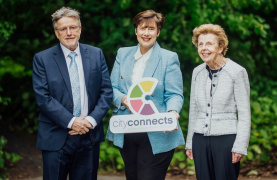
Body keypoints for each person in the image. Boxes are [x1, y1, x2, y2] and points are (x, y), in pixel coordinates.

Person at [32, 7, 113, 180]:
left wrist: (90, 121)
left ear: (80, 29)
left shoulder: (96, 54)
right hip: (56, 137)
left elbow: (106, 92)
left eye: (73, 27)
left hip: (89, 135)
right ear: (56, 33)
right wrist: (72, 122)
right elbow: (44, 99)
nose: (69, 33)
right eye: (63, 29)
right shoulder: (42, 59)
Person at [106, 10, 185, 180]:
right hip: (127, 130)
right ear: (136, 30)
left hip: (157, 133)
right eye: (142, 28)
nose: (146, 33)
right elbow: (111, 88)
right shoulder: (123, 54)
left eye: (151, 29)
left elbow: (174, 94)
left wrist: (172, 112)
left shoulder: (168, 58)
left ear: (158, 31)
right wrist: (124, 100)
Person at [185, 24, 251, 180]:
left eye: (209, 44)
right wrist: (190, 142)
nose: (204, 48)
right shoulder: (197, 72)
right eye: (200, 44)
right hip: (200, 140)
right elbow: (193, 110)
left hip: (226, 140)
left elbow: (244, 113)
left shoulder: (237, 72)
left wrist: (240, 146)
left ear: (221, 47)